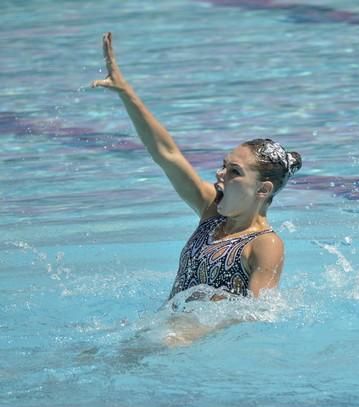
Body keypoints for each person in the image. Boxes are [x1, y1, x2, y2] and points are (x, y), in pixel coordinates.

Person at [92, 32, 302, 304]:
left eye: (234, 172)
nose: (220, 174)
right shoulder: (211, 209)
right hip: (164, 332)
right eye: (223, 166)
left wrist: (214, 310)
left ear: (262, 189)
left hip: (197, 341)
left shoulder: (265, 245)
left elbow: (260, 314)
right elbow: (167, 154)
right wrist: (126, 92)